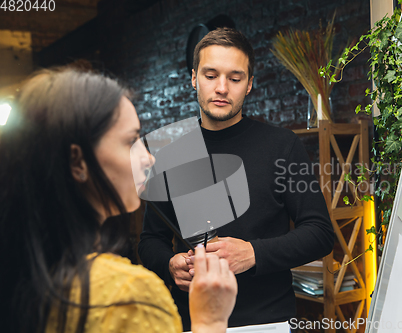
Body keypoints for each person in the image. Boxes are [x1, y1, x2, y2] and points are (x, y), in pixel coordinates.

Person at [0, 67, 237, 333]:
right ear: (78, 161)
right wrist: (210, 321)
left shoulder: (24, 274)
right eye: (130, 141)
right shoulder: (130, 296)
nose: (148, 158)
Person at [139, 27, 336, 330]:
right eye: (210, 75)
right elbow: (150, 241)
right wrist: (168, 265)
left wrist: (253, 253)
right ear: (194, 78)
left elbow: (321, 233)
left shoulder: (282, 145)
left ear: (249, 85)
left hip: (267, 322)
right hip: (193, 320)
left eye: (234, 78)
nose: (221, 88)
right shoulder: (171, 153)